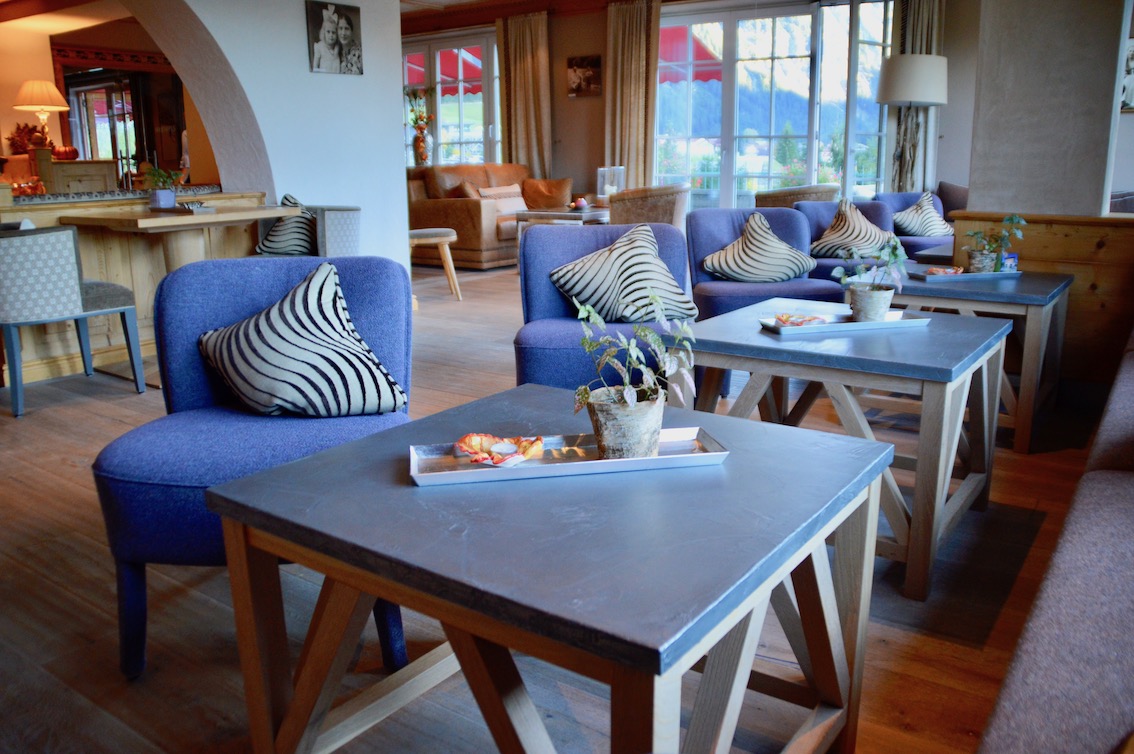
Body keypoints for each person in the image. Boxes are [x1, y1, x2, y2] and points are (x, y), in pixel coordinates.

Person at [312, 5, 341, 73]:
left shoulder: (337, 47)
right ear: (323, 32)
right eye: (328, 32)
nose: (331, 35)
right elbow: (315, 67)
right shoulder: (319, 46)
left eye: (333, 32)